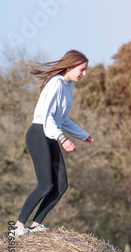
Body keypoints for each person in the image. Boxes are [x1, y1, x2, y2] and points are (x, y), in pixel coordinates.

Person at [9, 50, 93, 237]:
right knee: (45, 185)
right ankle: (17, 227)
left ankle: (35, 225)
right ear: (70, 66)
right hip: (39, 133)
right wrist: (62, 139)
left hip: (50, 133)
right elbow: (47, 118)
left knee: (61, 185)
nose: (84, 74)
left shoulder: (68, 86)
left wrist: (82, 135)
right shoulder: (55, 83)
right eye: (82, 69)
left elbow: (61, 119)